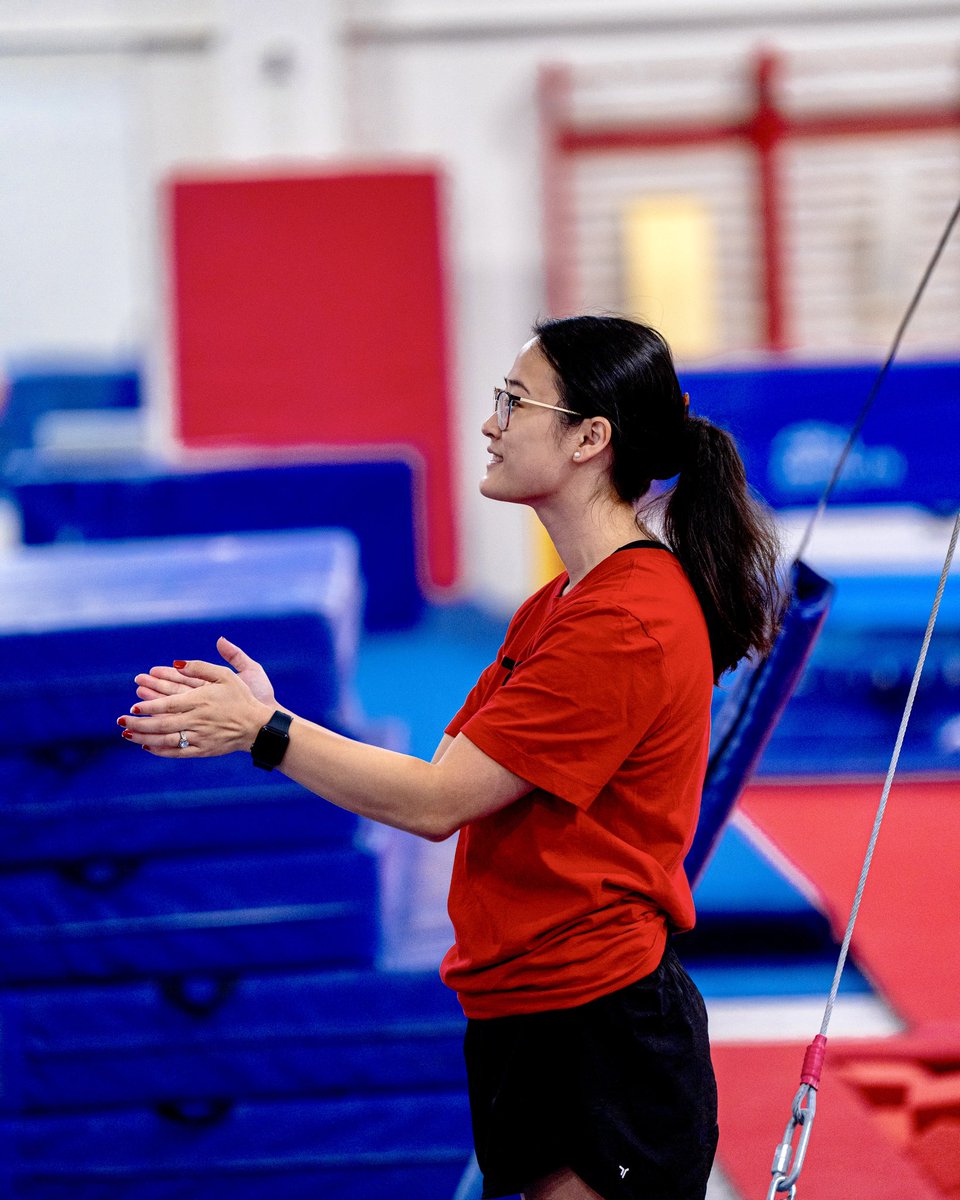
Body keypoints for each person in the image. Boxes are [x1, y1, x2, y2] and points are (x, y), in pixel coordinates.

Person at [118, 314, 782, 1200]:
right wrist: (268, 723)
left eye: (514, 401)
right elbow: (443, 773)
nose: (489, 423)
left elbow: (437, 801)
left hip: (598, 1022)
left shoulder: (625, 621)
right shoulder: (561, 603)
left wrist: (267, 731)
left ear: (591, 439)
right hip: (526, 1008)